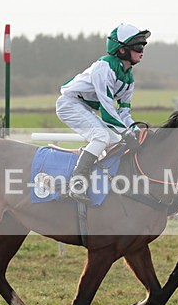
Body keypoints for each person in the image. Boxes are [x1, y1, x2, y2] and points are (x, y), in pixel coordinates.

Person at [56, 23, 150, 203]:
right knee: (100, 137)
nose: (142, 50)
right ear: (122, 50)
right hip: (69, 104)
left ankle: (97, 180)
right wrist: (127, 133)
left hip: (85, 108)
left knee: (117, 141)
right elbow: (107, 111)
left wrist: (134, 131)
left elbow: (123, 113)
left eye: (143, 46)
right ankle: (76, 183)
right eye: (138, 46)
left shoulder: (129, 78)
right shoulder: (104, 68)